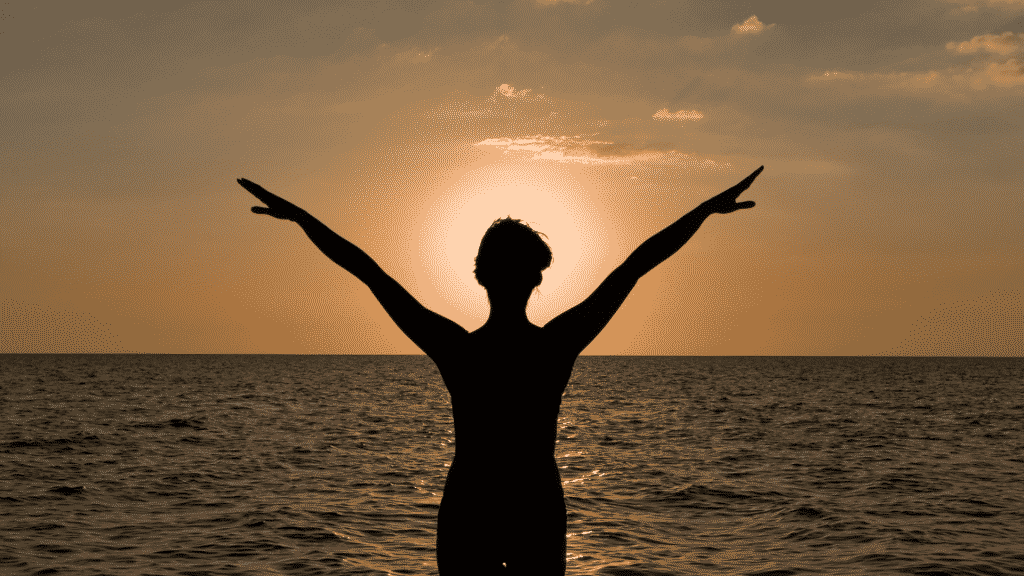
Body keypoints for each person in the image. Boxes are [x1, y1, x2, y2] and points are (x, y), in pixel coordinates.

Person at [238, 165, 763, 575]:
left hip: (474, 505)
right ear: (537, 279)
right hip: (530, 504)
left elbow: (369, 272)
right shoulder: (555, 345)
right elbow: (636, 265)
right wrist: (704, 211)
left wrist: (303, 218)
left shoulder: (458, 349)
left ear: (480, 276)